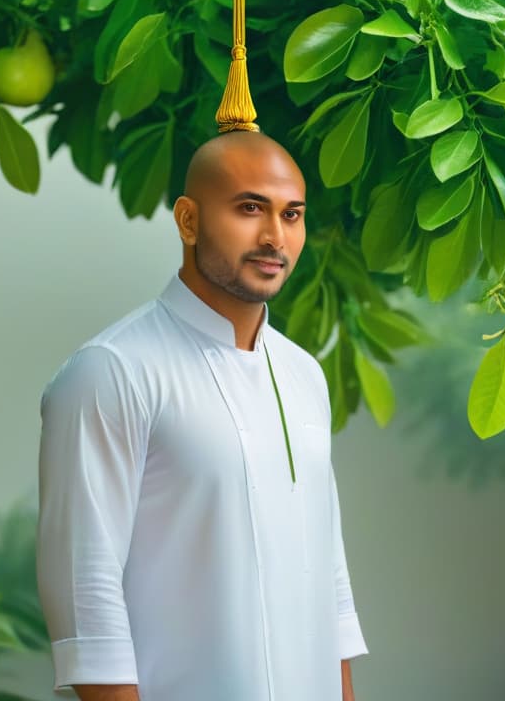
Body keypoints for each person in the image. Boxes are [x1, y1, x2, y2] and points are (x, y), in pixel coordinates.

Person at [36, 131, 368, 701]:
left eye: (292, 215)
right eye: (249, 209)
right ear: (188, 221)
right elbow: (84, 595)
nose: (275, 237)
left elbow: (330, 579)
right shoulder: (112, 372)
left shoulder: (304, 375)